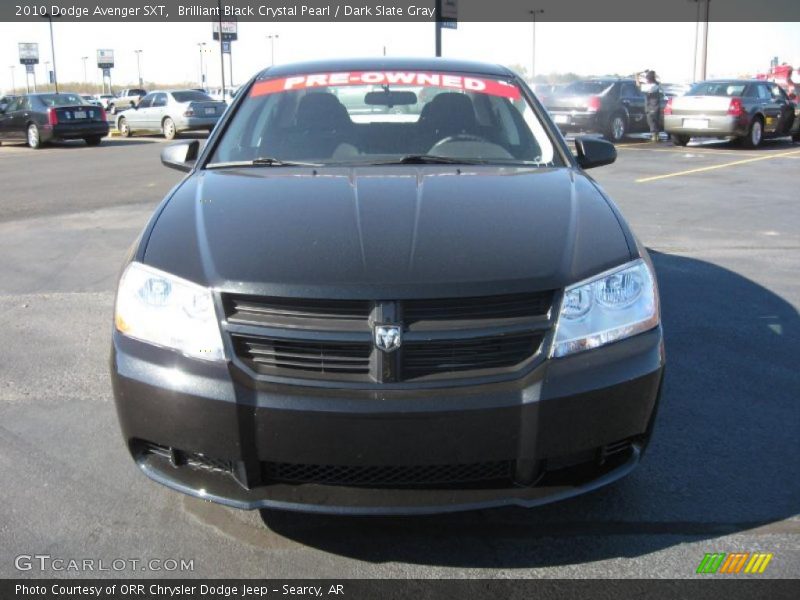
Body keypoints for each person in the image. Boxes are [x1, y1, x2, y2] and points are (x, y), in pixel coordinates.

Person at [637, 70, 663, 142]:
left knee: (651, 120)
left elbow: (639, 86)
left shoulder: (653, 86)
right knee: (654, 121)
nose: (646, 80)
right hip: (652, 106)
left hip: (653, 106)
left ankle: (655, 136)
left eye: (647, 78)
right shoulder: (655, 84)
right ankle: (656, 135)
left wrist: (637, 76)